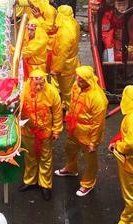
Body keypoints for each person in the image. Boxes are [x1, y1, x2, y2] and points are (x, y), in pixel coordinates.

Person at [55, 66, 108, 197]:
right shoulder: (77, 86)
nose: (78, 80)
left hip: (88, 133)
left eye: (82, 79)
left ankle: (88, 183)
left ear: (88, 80)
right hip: (74, 128)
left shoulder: (97, 99)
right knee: (70, 148)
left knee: (90, 160)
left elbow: (98, 123)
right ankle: (71, 168)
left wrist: (93, 142)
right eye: (78, 77)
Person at [20, 69, 63, 201]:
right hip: (28, 132)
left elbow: (57, 112)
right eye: (36, 84)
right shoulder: (23, 91)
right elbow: (16, 109)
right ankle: (30, 180)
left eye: (41, 84)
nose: (38, 87)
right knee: (29, 157)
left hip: (45, 132)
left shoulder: (52, 92)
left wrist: (56, 130)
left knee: (46, 158)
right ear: (30, 82)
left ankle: (45, 184)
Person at [109, 85, 133, 224]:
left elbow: (130, 144)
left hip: (129, 162)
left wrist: (118, 146)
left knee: (130, 193)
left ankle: (127, 220)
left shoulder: (131, 119)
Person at [49, 5, 80, 111]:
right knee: (69, 87)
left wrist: (56, 69)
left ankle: (69, 109)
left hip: (65, 66)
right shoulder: (73, 23)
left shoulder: (65, 33)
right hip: (72, 60)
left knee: (67, 90)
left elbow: (62, 53)